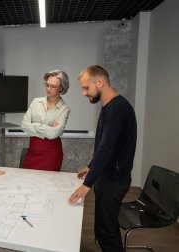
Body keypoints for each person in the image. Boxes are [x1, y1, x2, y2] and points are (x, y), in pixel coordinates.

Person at [68, 65, 137, 252]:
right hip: (108, 177)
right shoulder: (110, 106)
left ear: (100, 82)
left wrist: (86, 185)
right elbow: (106, 146)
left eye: (86, 87)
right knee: (103, 228)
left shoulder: (117, 108)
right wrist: (91, 167)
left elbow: (106, 150)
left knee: (106, 231)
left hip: (113, 181)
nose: (84, 93)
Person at [21, 69, 70, 171]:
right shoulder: (36, 102)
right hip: (33, 151)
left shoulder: (64, 109)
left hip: (51, 155)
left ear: (61, 88)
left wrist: (34, 125)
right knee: (26, 181)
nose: (48, 88)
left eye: (53, 86)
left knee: (47, 185)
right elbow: (24, 126)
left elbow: (54, 133)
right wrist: (47, 129)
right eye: (47, 85)